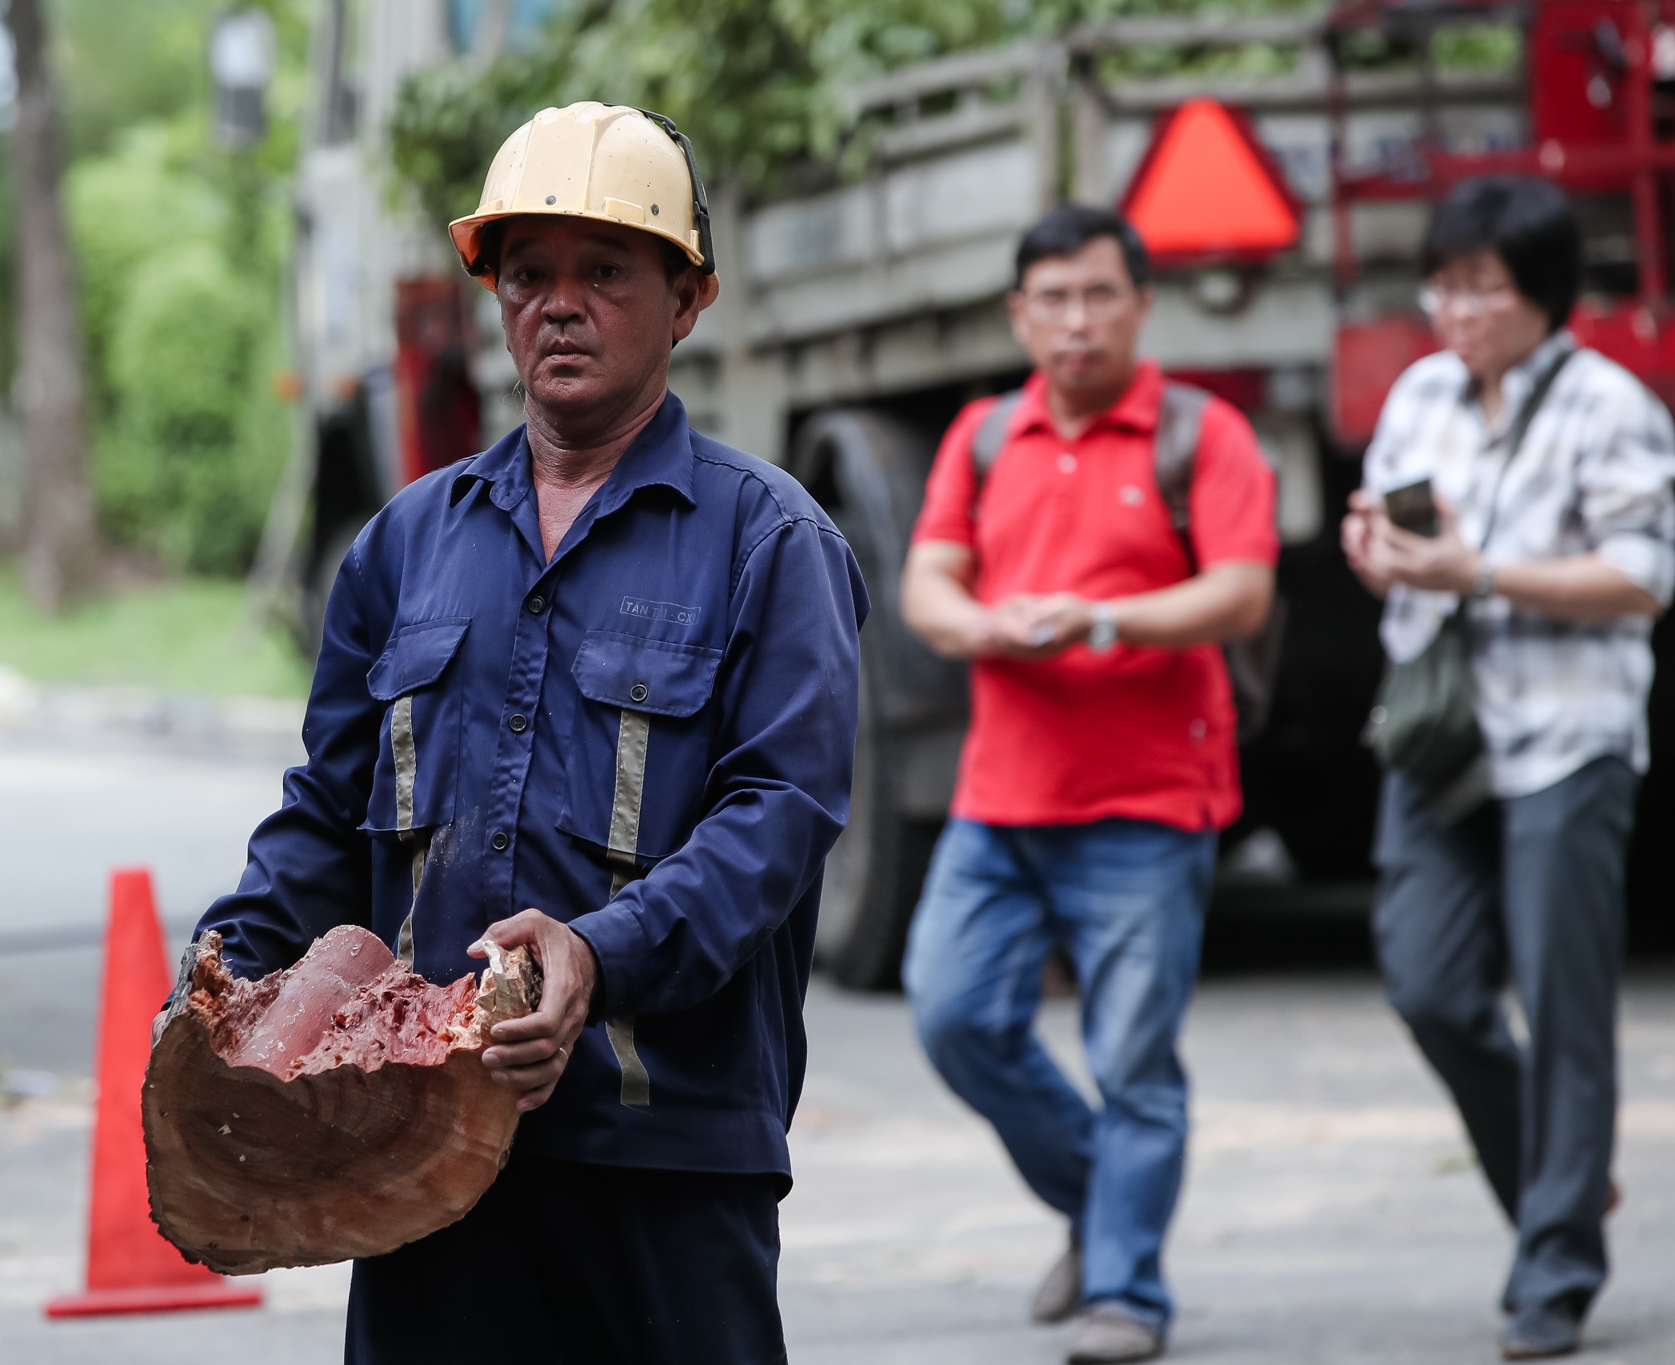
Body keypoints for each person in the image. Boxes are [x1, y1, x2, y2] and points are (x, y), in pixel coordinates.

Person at [186, 102, 865, 1364]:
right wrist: (225, 974)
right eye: (526, 274)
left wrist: (595, 954)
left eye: (604, 271)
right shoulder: (403, 545)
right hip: (415, 1153)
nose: (558, 305)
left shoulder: (768, 542)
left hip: (662, 1152)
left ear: (686, 299)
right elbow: (325, 815)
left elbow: (780, 815)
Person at [898, 205, 1278, 1365]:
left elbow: (1239, 592)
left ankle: (1127, 1293)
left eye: (1097, 295)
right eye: (1051, 299)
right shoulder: (979, 435)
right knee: (953, 1014)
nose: (1075, 321)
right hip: (999, 798)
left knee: (1132, 1061)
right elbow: (926, 584)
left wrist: (1098, 619)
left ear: (1139, 304)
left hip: (1149, 803)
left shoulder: (1200, 435)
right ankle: (1098, 1200)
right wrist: (982, 627)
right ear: (1018, 315)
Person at [1341, 176, 1675, 1361]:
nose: (1456, 311)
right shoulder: (1421, 392)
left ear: (1540, 294)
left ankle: (1553, 1269)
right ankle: (1565, 1179)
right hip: (1441, 734)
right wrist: (1375, 550)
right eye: (1443, 285)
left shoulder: (1609, 406)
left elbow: (1642, 575)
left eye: (1481, 288)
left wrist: (1479, 574)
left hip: (1567, 735)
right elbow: (1387, 532)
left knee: (1563, 999)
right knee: (1425, 984)